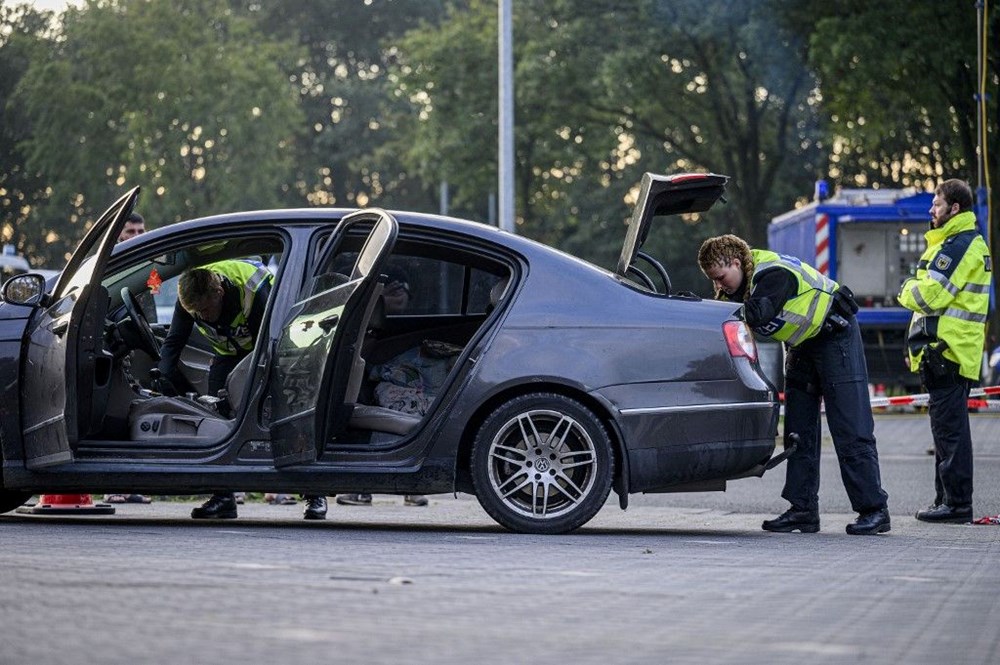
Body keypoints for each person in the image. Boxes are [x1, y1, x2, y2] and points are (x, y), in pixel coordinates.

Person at [698, 234, 890, 535]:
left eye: (721, 278)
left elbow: (759, 312)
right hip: (802, 345)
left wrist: (713, 312)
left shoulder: (772, 274)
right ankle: (803, 510)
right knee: (798, 432)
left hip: (835, 337)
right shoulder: (742, 283)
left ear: (736, 262)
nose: (720, 286)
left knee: (850, 427)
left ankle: (874, 510)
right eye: (714, 281)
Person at [158, 259, 328, 520]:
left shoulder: (252, 288)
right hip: (228, 353)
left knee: (287, 418)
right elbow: (174, 340)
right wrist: (163, 375)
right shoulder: (191, 299)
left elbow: (273, 336)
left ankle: (314, 494)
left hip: (273, 349)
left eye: (205, 309)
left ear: (219, 293)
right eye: (196, 313)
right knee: (215, 416)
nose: (202, 317)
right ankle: (223, 496)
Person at [898, 179, 991, 524]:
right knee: (946, 431)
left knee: (950, 433)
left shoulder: (959, 245)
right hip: (945, 349)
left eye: (936, 205)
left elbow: (929, 297)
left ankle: (956, 505)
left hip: (948, 351)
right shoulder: (954, 243)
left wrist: (906, 288)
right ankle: (947, 500)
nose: (930, 211)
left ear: (955, 208)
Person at [337, 265, 429, 508]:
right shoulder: (363, 328)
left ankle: (366, 486)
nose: (398, 292)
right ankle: (370, 487)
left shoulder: (399, 331)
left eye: (402, 289)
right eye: (389, 289)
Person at [105, 212, 153, 505]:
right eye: (130, 231)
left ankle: (135, 482)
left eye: (141, 230)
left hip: (138, 344)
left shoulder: (149, 266)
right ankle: (114, 485)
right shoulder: (110, 265)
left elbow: (153, 295)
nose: (136, 236)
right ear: (118, 236)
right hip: (112, 346)